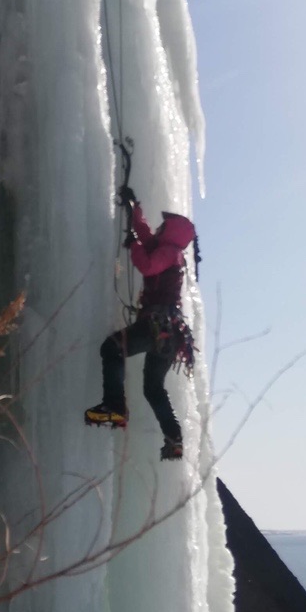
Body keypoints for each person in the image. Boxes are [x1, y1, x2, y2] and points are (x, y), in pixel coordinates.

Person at [84, 186, 198, 461]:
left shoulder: (170, 253)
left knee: (112, 348)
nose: (159, 230)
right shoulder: (169, 251)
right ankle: (174, 439)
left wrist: (133, 244)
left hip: (157, 326)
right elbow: (146, 238)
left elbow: (147, 264)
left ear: (170, 232)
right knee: (153, 388)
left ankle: (114, 405)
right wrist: (134, 209)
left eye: (164, 227)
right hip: (170, 335)